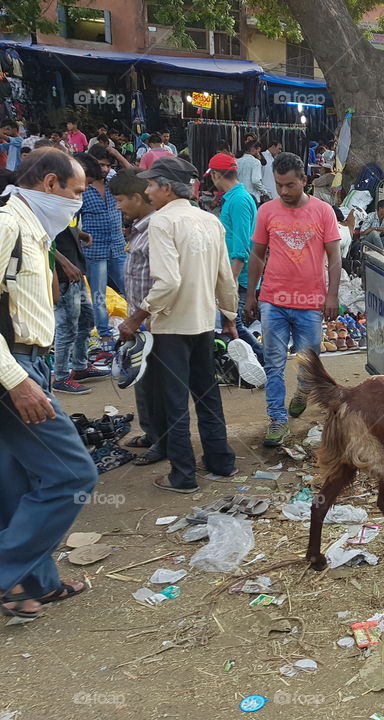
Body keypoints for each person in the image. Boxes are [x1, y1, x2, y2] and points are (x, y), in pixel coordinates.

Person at [0, 147, 98, 620]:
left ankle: (34, 582)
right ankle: (7, 575)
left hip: (29, 364)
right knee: (72, 474)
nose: (78, 202)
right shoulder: (7, 223)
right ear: (50, 184)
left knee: (17, 479)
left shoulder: (33, 226)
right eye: (76, 192)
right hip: (12, 371)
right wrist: (17, 380)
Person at [119, 157, 238, 493]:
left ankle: (183, 475)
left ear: (166, 187)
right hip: (203, 322)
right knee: (207, 395)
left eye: (151, 184)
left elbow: (167, 282)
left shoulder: (161, 223)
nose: (147, 190)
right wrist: (229, 316)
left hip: (171, 327)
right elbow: (224, 278)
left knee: (175, 402)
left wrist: (137, 317)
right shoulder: (209, 221)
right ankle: (220, 461)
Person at [244, 152, 342, 447]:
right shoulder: (267, 212)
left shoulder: (323, 211)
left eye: (290, 185)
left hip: (310, 302)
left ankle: (302, 391)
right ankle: (277, 419)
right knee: (273, 363)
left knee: (309, 363)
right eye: (279, 185)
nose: (284, 192)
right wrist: (252, 294)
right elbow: (257, 255)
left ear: (304, 180)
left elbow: (334, 256)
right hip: (273, 300)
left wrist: (332, 294)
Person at [106, 168, 163, 464]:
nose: (117, 207)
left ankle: (163, 442)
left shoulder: (155, 230)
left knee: (157, 385)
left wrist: (137, 318)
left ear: (137, 198)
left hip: (151, 321)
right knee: (142, 380)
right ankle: (151, 433)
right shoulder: (141, 227)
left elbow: (162, 283)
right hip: (139, 321)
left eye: (119, 201)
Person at [206, 152, 264, 368]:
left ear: (215, 175)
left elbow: (241, 247)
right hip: (235, 272)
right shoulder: (236, 198)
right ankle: (247, 364)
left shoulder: (238, 200)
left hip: (238, 275)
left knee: (234, 321)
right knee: (230, 322)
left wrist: (229, 281)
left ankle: (263, 360)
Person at [51, 214, 107, 394]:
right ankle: (60, 377)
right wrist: (65, 263)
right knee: (67, 327)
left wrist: (80, 234)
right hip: (62, 275)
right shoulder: (47, 204)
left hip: (75, 271)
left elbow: (65, 229)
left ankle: (80, 366)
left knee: (86, 320)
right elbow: (42, 239)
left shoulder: (68, 202)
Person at [77, 152, 126, 342]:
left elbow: (134, 175)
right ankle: (104, 334)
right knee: (98, 295)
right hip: (94, 249)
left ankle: (142, 326)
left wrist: (116, 153)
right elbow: (72, 219)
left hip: (118, 246)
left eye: (107, 165)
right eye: (100, 165)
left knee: (131, 288)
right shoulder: (83, 188)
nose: (104, 169)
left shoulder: (114, 184)